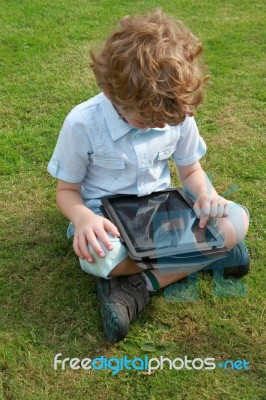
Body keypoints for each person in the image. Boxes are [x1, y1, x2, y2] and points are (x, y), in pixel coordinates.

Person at [47, 10, 250, 343]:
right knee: (97, 255)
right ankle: (213, 255)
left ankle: (137, 287)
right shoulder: (82, 124)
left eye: (167, 120)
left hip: (163, 214)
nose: (160, 126)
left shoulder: (174, 115)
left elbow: (191, 170)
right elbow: (66, 191)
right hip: (105, 219)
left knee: (238, 218)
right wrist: (82, 218)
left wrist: (206, 195)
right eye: (147, 119)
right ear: (113, 93)